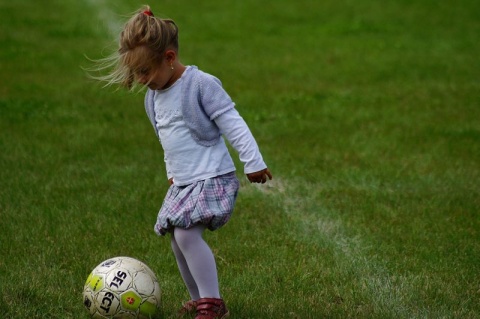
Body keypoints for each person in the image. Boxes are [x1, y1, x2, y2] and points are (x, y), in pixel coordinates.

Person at [91, 5, 272, 319]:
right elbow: (168, 143)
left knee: (187, 235)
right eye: (136, 73)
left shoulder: (200, 85)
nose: (141, 79)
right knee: (177, 240)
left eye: (145, 71)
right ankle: (200, 299)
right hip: (185, 182)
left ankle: (213, 304)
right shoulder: (153, 98)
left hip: (213, 176)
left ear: (170, 58)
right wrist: (172, 173)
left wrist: (253, 162)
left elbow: (233, 122)